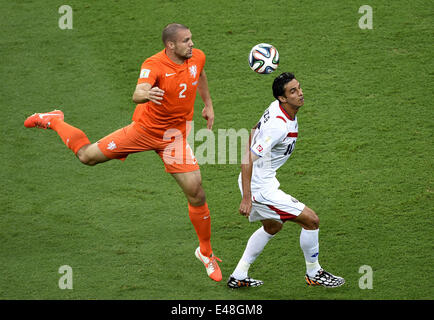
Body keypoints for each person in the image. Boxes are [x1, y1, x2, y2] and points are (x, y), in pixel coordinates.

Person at [24, 23, 222, 282]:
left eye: (191, 39)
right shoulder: (153, 64)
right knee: (86, 156)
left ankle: (205, 252)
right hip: (143, 131)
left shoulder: (196, 56)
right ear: (170, 45)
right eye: (186, 41)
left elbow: (200, 73)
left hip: (174, 138)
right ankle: (53, 120)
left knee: (196, 192)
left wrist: (207, 104)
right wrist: (144, 94)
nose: (191, 44)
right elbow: (139, 91)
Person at [227, 72, 344, 288]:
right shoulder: (278, 126)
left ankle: (239, 275)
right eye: (293, 91)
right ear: (282, 98)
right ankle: (314, 272)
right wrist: (247, 198)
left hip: (262, 181)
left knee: (272, 227)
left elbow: (253, 130)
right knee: (312, 221)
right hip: (259, 188)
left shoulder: (276, 107)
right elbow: (247, 159)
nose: (300, 94)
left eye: (299, 88)